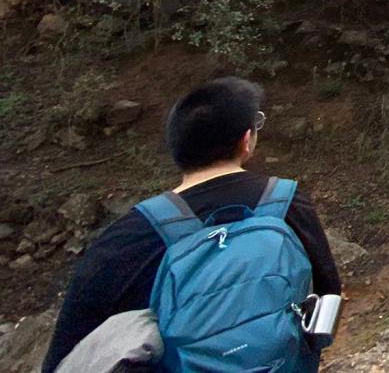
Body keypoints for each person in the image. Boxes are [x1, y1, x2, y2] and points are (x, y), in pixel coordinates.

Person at [42, 78, 341, 373]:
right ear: (246, 140)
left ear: (177, 149)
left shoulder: (131, 234)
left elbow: (70, 349)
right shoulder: (286, 202)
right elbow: (328, 292)